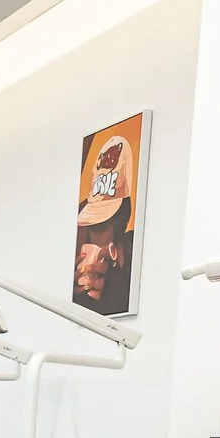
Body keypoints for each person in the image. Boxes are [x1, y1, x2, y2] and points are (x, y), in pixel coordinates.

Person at [75, 132, 136, 311]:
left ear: (121, 222)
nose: (92, 238)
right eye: (90, 226)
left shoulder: (136, 252)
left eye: (101, 226)